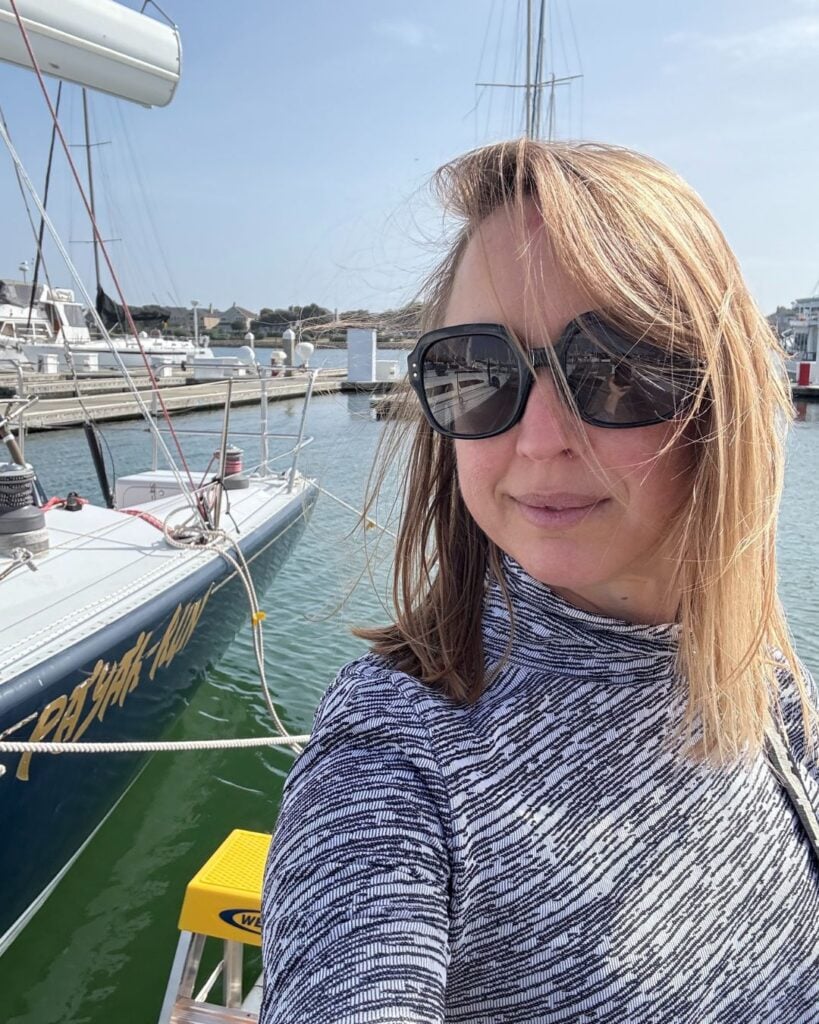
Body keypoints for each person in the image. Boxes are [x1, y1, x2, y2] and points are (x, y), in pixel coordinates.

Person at [260, 139, 819, 1023]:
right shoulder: (396, 761)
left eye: (615, 368)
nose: (540, 438)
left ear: (723, 397)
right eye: (477, 371)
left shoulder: (760, 674)